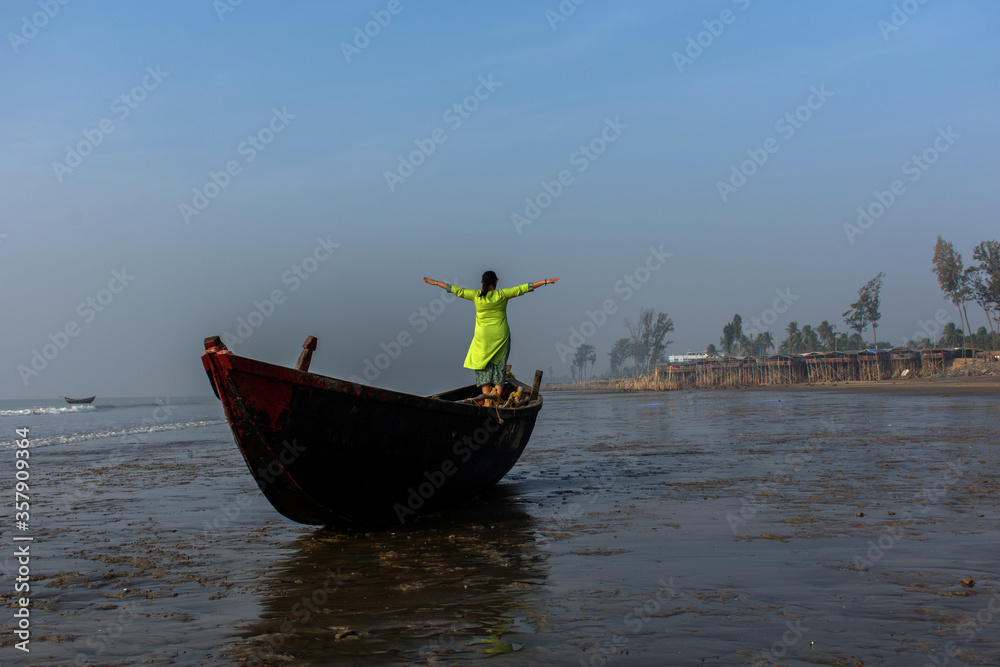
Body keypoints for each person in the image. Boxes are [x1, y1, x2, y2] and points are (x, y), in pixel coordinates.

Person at [423, 272, 559, 395]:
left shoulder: (476, 296)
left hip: (482, 338)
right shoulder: (502, 294)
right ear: (496, 282)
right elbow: (523, 288)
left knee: (483, 366)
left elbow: (456, 290)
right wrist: (545, 281)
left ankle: (487, 398)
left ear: (482, 283)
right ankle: (497, 396)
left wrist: (435, 282)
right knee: (500, 366)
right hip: (501, 336)